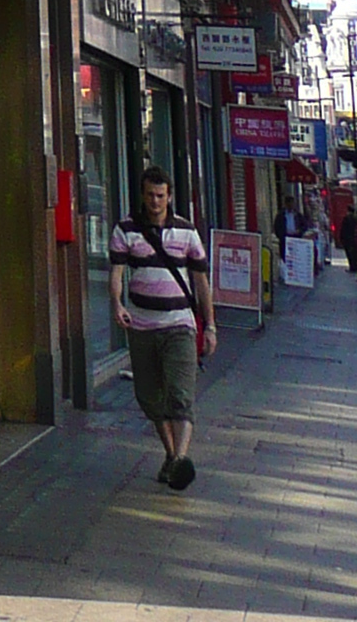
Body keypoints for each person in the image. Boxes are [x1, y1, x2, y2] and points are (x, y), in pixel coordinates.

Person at [109, 169, 215, 489]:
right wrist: (116, 303)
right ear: (142, 195)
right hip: (141, 326)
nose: (155, 201)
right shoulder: (126, 229)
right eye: (150, 195)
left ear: (169, 196)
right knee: (150, 398)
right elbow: (116, 272)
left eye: (161, 195)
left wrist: (209, 326)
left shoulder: (186, 232)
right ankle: (172, 456)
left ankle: (180, 460)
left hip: (179, 325)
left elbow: (201, 281)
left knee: (180, 396)